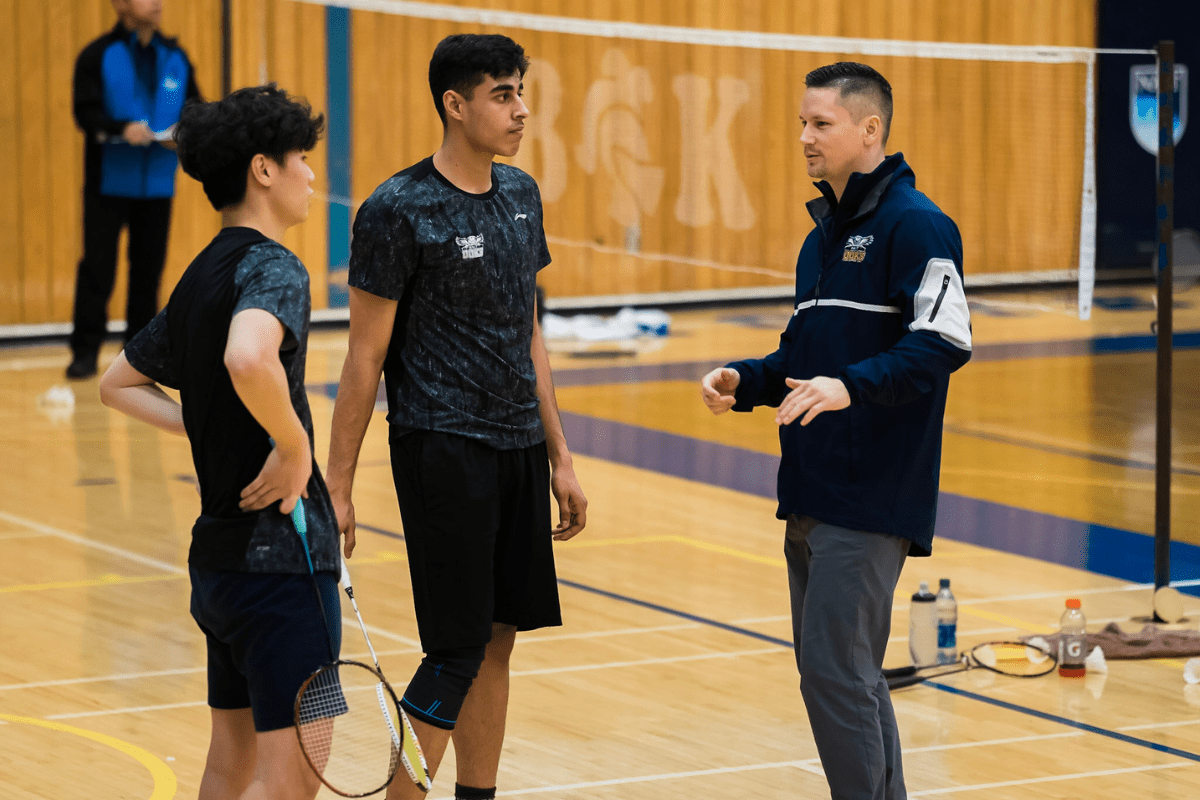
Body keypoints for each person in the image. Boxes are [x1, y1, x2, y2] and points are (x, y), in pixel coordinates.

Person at [325, 33, 587, 800]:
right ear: (455, 103)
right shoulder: (397, 208)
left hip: (516, 447)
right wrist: (337, 486)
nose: (520, 108)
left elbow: (527, 331)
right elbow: (362, 359)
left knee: (498, 642)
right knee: (455, 649)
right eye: (502, 94)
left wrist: (559, 455)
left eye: (520, 90)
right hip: (442, 450)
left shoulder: (521, 195)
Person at [700, 62, 972, 800]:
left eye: (820, 124)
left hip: (872, 493)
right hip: (812, 489)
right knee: (847, 677)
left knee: (831, 674)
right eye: (802, 123)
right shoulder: (819, 240)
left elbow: (945, 342)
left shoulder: (916, 226)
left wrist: (850, 386)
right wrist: (746, 380)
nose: (804, 137)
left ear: (869, 129)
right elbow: (802, 357)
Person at [98, 85, 337, 800]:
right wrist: (293, 445)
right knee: (296, 779)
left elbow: (118, 383)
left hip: (222, 573)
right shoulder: (274, 267)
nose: (311, 175)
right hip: (286, 569)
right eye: (301, 158)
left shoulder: (201, 274)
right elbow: (246, 357)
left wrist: (201, 428)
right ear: (263, 169)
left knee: (228, 768)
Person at [69, 0, 201, 379]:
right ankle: (84, 352)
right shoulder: (97, 55)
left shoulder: (176, 57)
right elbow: (85, 111)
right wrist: (120, 128)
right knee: (97, 268)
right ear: (121, 4)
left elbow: (197, 107)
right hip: (108, 183)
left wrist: (182, 134)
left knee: (148, 273)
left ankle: (137, 359)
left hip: (158, 185)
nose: (157, 2)